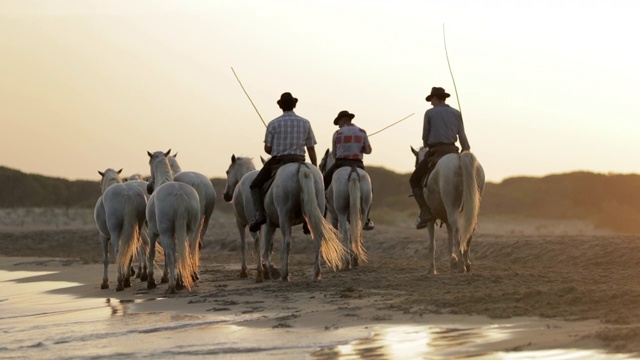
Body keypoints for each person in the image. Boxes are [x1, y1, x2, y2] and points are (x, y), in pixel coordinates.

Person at [248, 92, 318, 232]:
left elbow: (268, 149)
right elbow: (311, 148)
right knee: (318, 189)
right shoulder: (305, 122)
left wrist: (277, 149)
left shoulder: (273, 123)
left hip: (279, 161)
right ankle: (313, 216)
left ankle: (260, 215)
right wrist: (315, 168)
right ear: (294, 105)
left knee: (255, 186)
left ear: (280, 106)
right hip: (300, 160)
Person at [409, 87, 470, 229]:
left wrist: (426, 145)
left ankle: (425, 212)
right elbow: (462, 135)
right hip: (453, 150)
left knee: (414, 180)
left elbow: (425, 136)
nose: (431, 103)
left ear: (436, 98)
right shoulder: (456, 113)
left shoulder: (430, 113)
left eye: (432, 100)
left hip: (436, 151)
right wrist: (465, 149)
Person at [323, 110, 374, 230]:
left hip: (340, 164)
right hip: (358, 165)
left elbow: (335, 154)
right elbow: (368, 151)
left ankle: (322, 214)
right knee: (371, 190)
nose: (338, 125)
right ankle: (366, 219)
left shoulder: (337, 133)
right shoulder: (362, 132)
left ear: (342, 120)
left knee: (323, 185)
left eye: (338, 122)